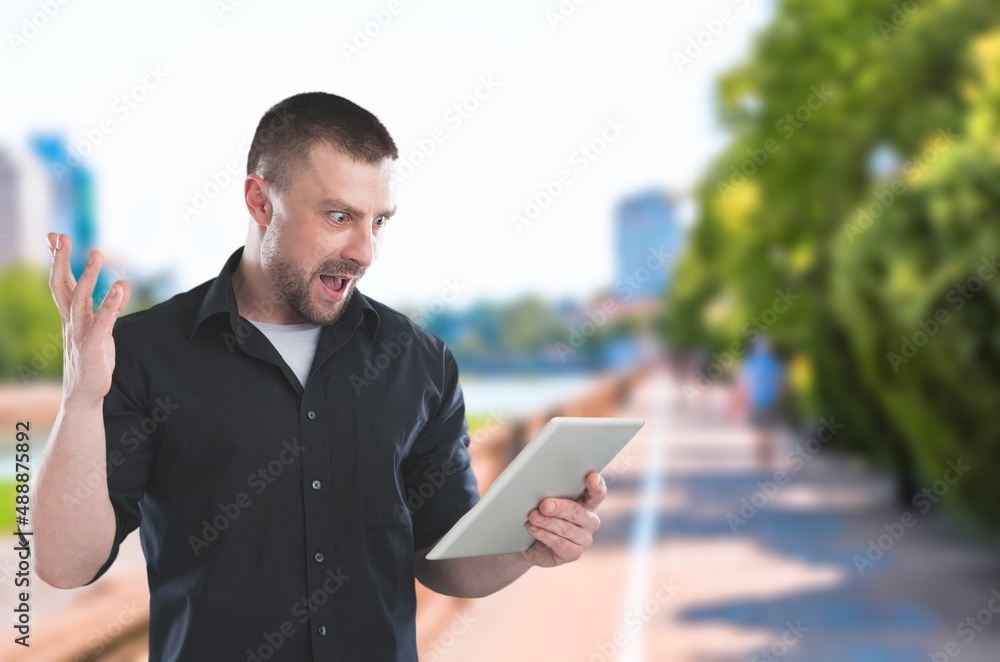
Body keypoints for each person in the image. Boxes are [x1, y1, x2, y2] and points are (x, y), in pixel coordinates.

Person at [33, 92, 607, 661]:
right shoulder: (142, 354)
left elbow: (442, 556)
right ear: (260, 202)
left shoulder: (419, 361)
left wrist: (524, 545)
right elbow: (64, 564)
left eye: (378, 221)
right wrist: (81, 400)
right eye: (339, 217)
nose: (365, 250)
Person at [735, 338, 785, 468]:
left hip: (755, 400)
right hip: (771, 400)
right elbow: (780, 382)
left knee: (758, 430)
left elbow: (744, 383)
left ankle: (760, 457)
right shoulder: (774, 363)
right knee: (769, 429)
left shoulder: (751, 363)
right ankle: (768, 456)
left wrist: (742, 401)